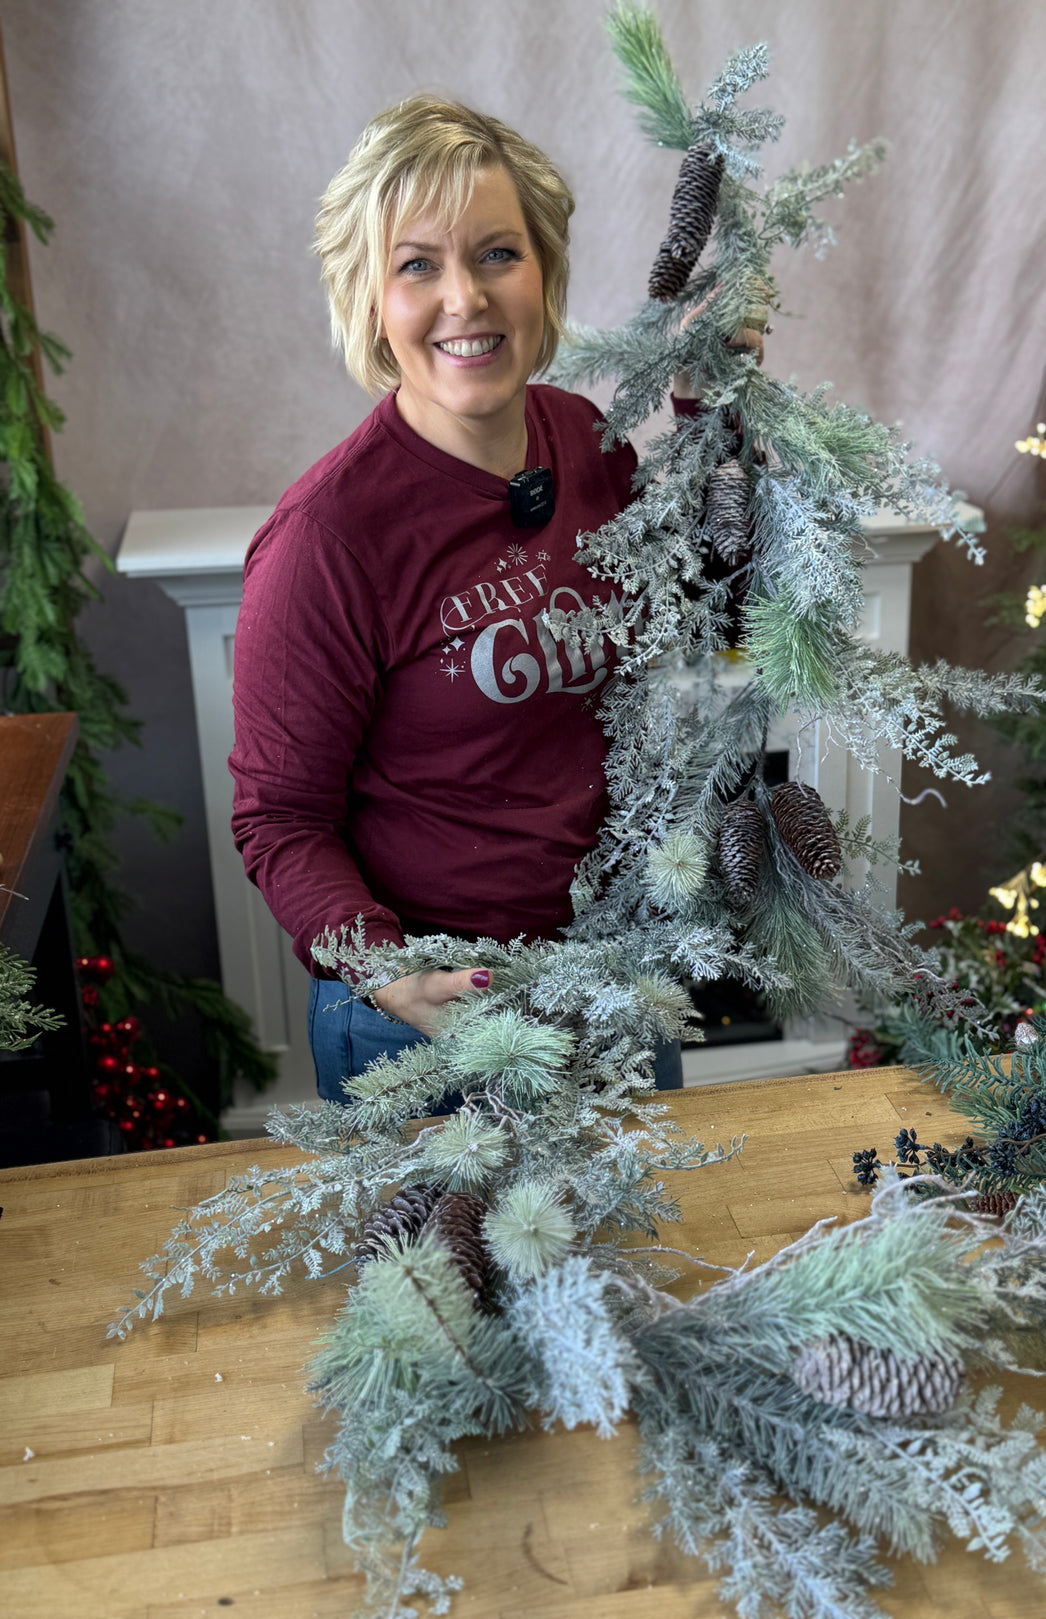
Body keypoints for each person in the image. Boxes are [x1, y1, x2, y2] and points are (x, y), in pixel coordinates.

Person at [228, 95, 757, 1103]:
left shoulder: (581, 438)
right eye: (416, 265)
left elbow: (705, 602)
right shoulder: (326, 541)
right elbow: (279, 818)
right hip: (431, 1013)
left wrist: (707, 402)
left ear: (543, 273)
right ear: (369, 300)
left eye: (497, 254)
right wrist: (389, 972)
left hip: (610, 972)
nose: (464, 298)